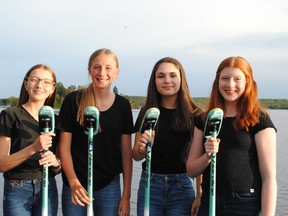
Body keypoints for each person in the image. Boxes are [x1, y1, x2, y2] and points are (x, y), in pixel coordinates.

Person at [186, 56, 277, 215]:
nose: (230, 85)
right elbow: (191, 170)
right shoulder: (204, 119)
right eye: (225, 78)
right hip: (209, 201)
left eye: (237, 79)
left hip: (245, 203)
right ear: (217, 82)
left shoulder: (259, 119)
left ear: (248, 83)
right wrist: (207, 156)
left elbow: (269, 177)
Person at [58, 48, 133, 216]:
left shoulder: (123, 106)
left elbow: (126, 153)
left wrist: (126, 196)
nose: (102, 73)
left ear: (117, 72)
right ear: (89, 70)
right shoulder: (73, 101)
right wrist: (73, 182)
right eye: (96, 67)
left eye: (108, 68)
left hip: (109, 185)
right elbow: (64, 148)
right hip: (75, 185)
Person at [132, 57, 202, 216]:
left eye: (172, 75)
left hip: (182, 187)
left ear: (181, 79)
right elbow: (135, 155)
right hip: (150, 184)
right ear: (154, 80)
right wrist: (142, 148)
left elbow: (200, 160)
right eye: (161, 76)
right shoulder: (147, 112)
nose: (167, 81)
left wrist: (199, 194)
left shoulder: (195, 114)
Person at [0, 64, 61, 216]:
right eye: (34, 80)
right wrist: (33, 148)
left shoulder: (57, 120)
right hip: (17, 188)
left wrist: (56, 162)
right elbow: (2, 164)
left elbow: (58, 169)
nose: (40, 85)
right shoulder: (10, 115)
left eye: (46, 82)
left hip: (48, 186)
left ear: (53, 88)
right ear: (26, 83)